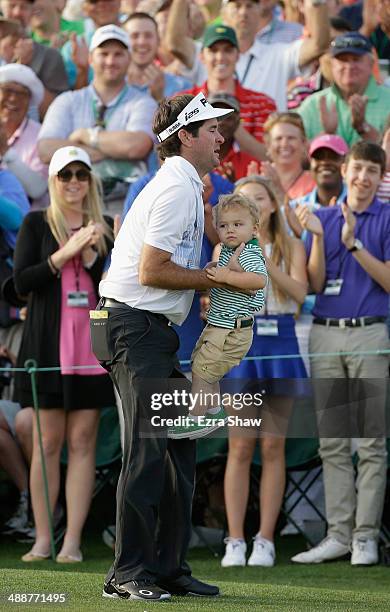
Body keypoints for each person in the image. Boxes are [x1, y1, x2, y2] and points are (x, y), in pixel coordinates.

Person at [92, 92, 235, 601]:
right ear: (186, 137)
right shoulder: (176, 189)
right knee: (148, 452)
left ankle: (169, 566)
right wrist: (214, 282)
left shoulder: (184, 186)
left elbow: (160, 273)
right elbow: (154, 271)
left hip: (144, 329)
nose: (221, 137)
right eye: (213, 129)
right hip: (133, 329)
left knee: (178, 444)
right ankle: (127, 575)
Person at [13, 145, 114, 563]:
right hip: (47, 344)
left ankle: (72, 540)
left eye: (81, 174)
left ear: (90, 180)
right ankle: (43, 538)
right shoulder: (37, 223)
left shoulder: (105, 225)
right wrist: (67, 253)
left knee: (83, 440)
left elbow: (110, 287)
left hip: (92, 343)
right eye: (65, 175)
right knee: (47, 442)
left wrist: (93, 255)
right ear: (53, 181)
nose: (74, 182)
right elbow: (22, 281)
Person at [291, 141, 390, 566]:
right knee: (332, 442)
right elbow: (314, 284)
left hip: (370, 335)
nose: (363, 177)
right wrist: (318, 236)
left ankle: (365, 537)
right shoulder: (324, 217)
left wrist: (353, 244)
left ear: (380, 177)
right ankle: (339, 535)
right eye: (358, 168)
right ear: (344, 171)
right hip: (326, 335)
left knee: (370, 442)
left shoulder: (387, 218)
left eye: (372, 170)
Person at [220, 174, 308, 567]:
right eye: (243, 201)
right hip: (242, 341)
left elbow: (301, 294)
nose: (251, 207)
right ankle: (235, 539)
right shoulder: (228, 248)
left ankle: (266, 539)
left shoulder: (291, 245)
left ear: (271, 205)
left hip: (282, 342)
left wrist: (265, 262)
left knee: (273, 445)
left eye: (258, 199)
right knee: (240, 445)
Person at [169, 192, 268, 439]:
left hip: (233, 330)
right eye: (223, 226)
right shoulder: (224, 249)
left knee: (203, 369)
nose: (230, 230)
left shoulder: (249, 252)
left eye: (238, 224)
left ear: (254, 229)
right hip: (217, 325)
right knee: (199, 362)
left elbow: (258, 280)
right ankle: (214, 410)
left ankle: (195, 418)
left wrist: (227, 277)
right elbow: (222, 273)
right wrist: (213, 270)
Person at [38, 24, 156, 213]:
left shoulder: (144, 102)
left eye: (118, 54)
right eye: (104, 54)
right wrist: (111, 149)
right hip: (74, 204)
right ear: (91, 58)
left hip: (125, 204)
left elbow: (138, 146)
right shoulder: (68, 101)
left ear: (129, 59)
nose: (111, 61)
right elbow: (45, 149)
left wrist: (87, 136)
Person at [166, 0, 330, 110]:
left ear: (260, 11)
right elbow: (175, 42)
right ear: (224, 12)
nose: (243, 12)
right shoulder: (209, 53)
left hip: (261, 150)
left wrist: (316, 3)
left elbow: (319, 44)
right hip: (213, 151)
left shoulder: (279, 54)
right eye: (237, 5)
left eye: (250, 5)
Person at [183, 23, 276, 161]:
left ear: (238, 55)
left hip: (248, 179)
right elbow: (169, 152)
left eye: (228, 50)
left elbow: (270, 157)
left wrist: (233, 124)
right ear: (202, 56)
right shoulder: (184, 101)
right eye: (213, 50)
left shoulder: (262, 103)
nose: (220, 57)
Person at [297, 32, 390, 145]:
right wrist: (327, 134)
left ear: (371, 63)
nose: (349, 66)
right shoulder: (312, 105)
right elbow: (296, 152)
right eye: (343, 60)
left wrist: (363, 127)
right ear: (332, 65)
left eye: (356, 59)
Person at [0, 0, 68, 117]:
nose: (17, 13)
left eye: (24, 7)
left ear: (32, 11)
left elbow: (58, 112)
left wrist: (23, 72)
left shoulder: (50, 56)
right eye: (12, 6)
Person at [0, 64, 48, 207]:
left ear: (29, 102)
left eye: (22, 94)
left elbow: (37, 189)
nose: (13, 99)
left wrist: (6, 151)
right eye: (7, 90)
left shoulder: (41, 136)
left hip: (25, 223)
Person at [288, 133, 349, 238]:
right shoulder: (295, 209)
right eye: (318, 157)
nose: (325, 162)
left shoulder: (358, 206)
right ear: (310, 164)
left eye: (333, 157)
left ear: (345, 163)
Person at [124, 11, 192, 101]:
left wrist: (160, 98)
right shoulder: (112, 85)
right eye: (134, 36)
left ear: (158, 41)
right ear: (123, 41)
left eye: (148, 35)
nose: (142, 42)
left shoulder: (181, 86)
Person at [261, 112, 315, 202]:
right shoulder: (259, 181)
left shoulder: (315, 183)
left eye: (291, 138)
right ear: (268, 145)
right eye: (278, 138)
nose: (284, 144)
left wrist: (278, 189)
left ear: (304, 144)